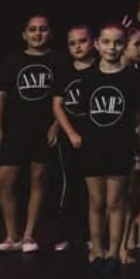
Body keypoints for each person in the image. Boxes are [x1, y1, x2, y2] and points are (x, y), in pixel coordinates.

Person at [52, 22, 140, 276]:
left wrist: (138, 139)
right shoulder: (87, 77)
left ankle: (114, 251)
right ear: (97, 44)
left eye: (117, 42)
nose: (111, 47)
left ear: (124, 45)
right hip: (92, 147)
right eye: (106, 42)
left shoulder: (133, 78)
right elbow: (77, 112)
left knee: (115, 202)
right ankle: (96, 249)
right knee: (96, 202)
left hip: (120, 146)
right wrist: (72, 134)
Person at [0, 14, 57, 253]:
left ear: (50, 33)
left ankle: (29, 236)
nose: (38, 33)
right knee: (4, 181)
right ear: (24, 34)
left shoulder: (58, 61)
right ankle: (11, 236)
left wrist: (57, 125)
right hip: (15, 130)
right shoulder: (13, 61)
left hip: (44, 130)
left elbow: (66, 97)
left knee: (38, 179)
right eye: (33, 29)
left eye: (43, 29)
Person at [53, 24, 97, 256]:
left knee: (94, 189)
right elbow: (57, 105)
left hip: (96, 137)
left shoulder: (101, 69)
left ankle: (91, 235)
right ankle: (66, 235)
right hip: (70, 137)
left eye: (82, 41)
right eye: (72, 43)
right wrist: (70, 132)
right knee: (70, 185)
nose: (78, 47)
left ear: (93, 42)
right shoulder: (65, 71)